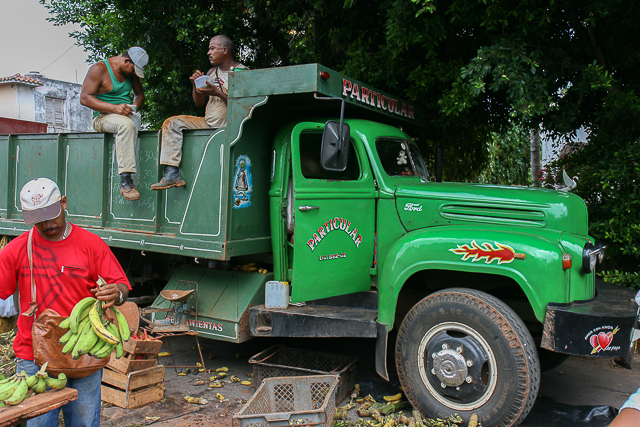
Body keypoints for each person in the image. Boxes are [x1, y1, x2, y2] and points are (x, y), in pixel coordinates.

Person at [0, 177, 131, 427]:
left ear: (63, 203)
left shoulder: (90, 244)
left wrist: (118, 294)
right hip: (33, 356)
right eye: (38, 218)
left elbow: (122, 287)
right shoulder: (17, 250)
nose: (47, 223)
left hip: (84, 351)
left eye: (50, 213)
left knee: (83, 423)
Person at [151, 35, 248, 190]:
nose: (208, 52)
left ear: (225, 50)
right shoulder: (211, 72)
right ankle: (172, 174)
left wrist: (217, 92)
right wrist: (195, 86)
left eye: (212, 48)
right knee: (172, 123)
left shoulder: (242, 72)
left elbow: (242, 106)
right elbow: (199, 103)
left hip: (230, 127)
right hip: (208, 123)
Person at [80, 47, 148, 201]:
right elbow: (84, 98)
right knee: (126, 126)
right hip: (102, 117)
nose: (134, 73)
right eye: (133, 69)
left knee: (128, 125)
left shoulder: (130, 72)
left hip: (124, 115)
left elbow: (140, 94)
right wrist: (114, 108)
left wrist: (135, 106)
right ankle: (126, 182)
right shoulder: (99, 69)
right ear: (126, 61)